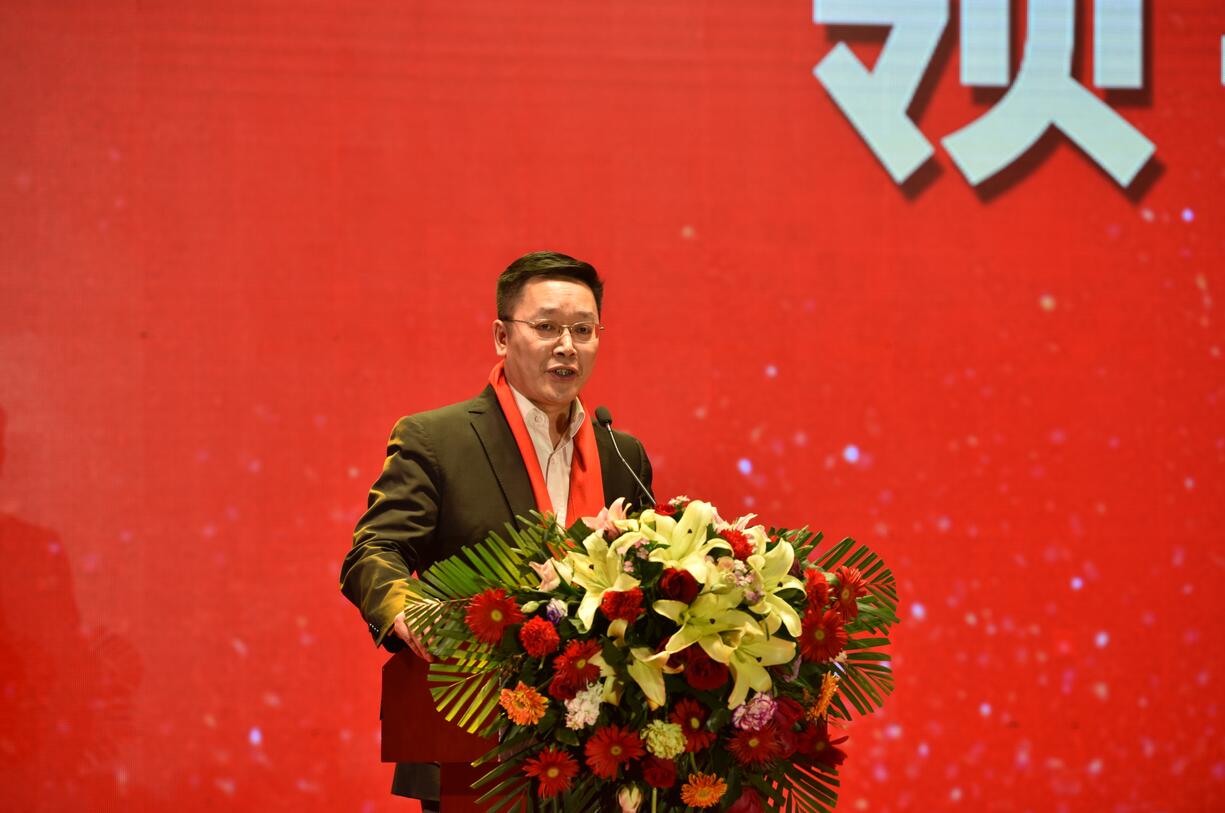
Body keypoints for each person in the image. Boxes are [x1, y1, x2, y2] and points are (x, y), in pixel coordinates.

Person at [340, 251, 654, 809]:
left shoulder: (620, 452)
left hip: (602, 744)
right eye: (547, 327)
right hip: (476, 739)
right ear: (502, 337)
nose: (567, 346)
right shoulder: (437, 440)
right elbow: (375, 549)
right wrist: (407, 609)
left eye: (583, 330)